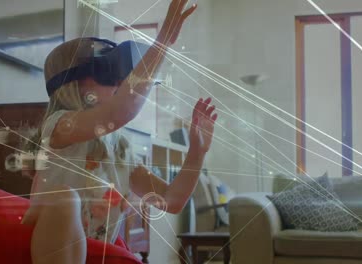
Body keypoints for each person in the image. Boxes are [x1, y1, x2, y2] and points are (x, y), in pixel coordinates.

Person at [21, 1, 218, 263]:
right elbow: (119, 111)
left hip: (95, 255)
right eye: (107, 72)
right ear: (74, 85)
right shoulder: (59, 125)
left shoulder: (119, 149)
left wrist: (197, 151)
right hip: (50, 250)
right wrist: (162, 42)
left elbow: (171, 201)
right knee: (64, 199)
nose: (119, 82)